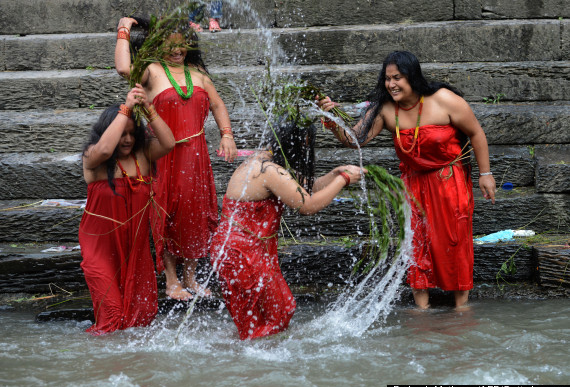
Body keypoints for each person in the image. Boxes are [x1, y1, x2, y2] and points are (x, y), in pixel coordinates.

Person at [318, 51, 496, 309]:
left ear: (412, 76)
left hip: (449, 181)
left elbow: (476, 133)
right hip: (412, 185)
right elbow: (354, 139)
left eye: (397, 77)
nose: (391, 84)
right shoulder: (386, 109)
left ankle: (461, 308)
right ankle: (421, 311)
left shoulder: (444, 100)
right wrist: (333, 120)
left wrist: (486, 174)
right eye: (387, 78)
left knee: (454, 240)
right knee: (416, 242)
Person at [115, 17, 237, 301]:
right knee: (166, 213)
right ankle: (171, 280)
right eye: (170, 46)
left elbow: (217, 104)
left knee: (194, 213)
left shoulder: (199, 74)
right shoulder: (151, 71)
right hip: (163, 154)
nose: (177, 51)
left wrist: (227, 135)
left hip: (196, 155)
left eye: (181, 45)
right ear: (157, 46)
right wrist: (123, 29)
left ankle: (191, 277)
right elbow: (123, 68)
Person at [210, 121, 367, 340]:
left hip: (244, 250)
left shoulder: (266, 161)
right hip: (243, 253)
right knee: (274, 316)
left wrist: (334, 174)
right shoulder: (269, 170)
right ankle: (252, 365)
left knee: (275, 313)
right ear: (300, 141)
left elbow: (303, 189)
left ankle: (251, 363)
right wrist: (344, 179)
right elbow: (307, 205)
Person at [79, 85, 175, 334]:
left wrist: (148, 108)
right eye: (123, 133)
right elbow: (104, 149)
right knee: (111, 317)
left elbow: (169, 142)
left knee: (140, 318)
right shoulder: (93, 159)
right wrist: (126, 108)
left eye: (132, 134)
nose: (128, 140)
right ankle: (105, 368)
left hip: (135, 246)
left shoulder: (142, 155)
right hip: (101, 246)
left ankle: (135, 368)